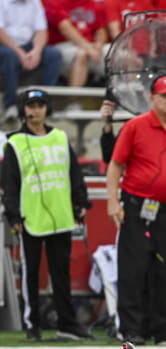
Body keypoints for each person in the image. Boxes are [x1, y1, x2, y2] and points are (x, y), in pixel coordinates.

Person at [106, 75, 166, 345]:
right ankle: (132, 329)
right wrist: (113, 201)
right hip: (137, 207)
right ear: (152, 98)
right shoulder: (136, 126)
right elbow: (115, 166)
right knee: (133, 270)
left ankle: (164, 329)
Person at [1, 89, 92, 341]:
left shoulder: (61, 137)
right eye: (31, 105)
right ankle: (33, 325)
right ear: (23, 110)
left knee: (62, 274)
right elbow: (9, 182)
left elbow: (74, 173)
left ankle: (68, 324)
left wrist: (81, 201)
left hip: (62, 217)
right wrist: (13, 215)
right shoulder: (15, 143)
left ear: (47, 108)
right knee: (31, 275)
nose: (36, 110)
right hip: (30, 219)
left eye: (41, 105)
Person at [0, 0, 61, 119]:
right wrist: (20, 53)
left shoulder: (35, 3)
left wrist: (36, 51)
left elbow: (41, 31)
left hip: (28, 45)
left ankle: (44, 102)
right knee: (9, 56)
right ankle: (10, 105)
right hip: (5, 45)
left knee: (53, 55)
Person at [43, 0, 107, 109]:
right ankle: (72, 102)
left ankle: (120, 100)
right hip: (64, 46)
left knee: (118, 53)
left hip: (90, 46)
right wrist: (88, 48)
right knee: (82, 54)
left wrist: (99, 44)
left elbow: (101, 30)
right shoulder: (55, 2)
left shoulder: (93, 4)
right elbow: (65, 28)